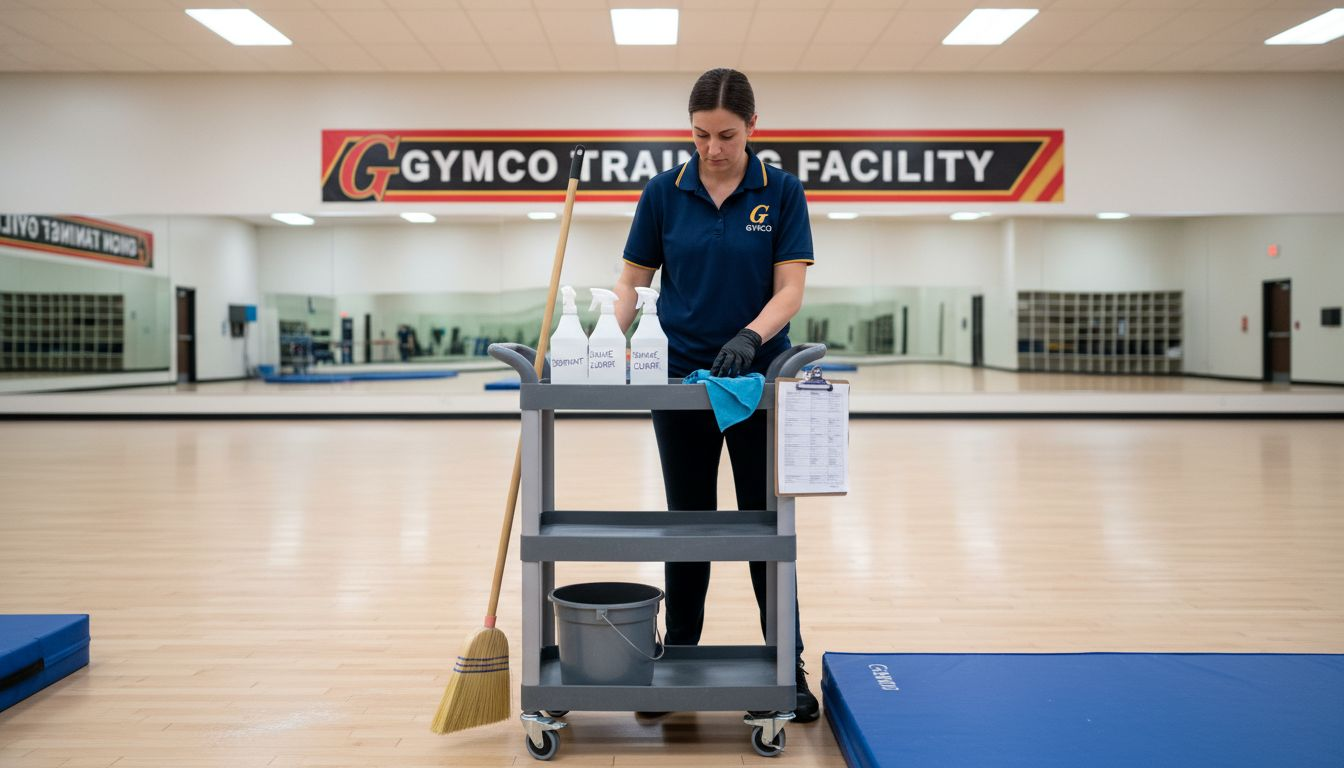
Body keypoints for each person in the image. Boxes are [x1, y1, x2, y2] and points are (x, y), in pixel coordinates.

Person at [612, 67, 818, 723]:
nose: (712, 148)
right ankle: (678, 659)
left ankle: (787, 665)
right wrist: (602, 341)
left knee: (765, 526)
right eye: (700, 135)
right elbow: (632, 283)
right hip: (680, 379)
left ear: (752, 127)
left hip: (758, 380)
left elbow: (790, 289)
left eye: (726, 135)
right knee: (688, 524)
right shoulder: (663, 192)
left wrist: (752, 337)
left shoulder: (781, 192)